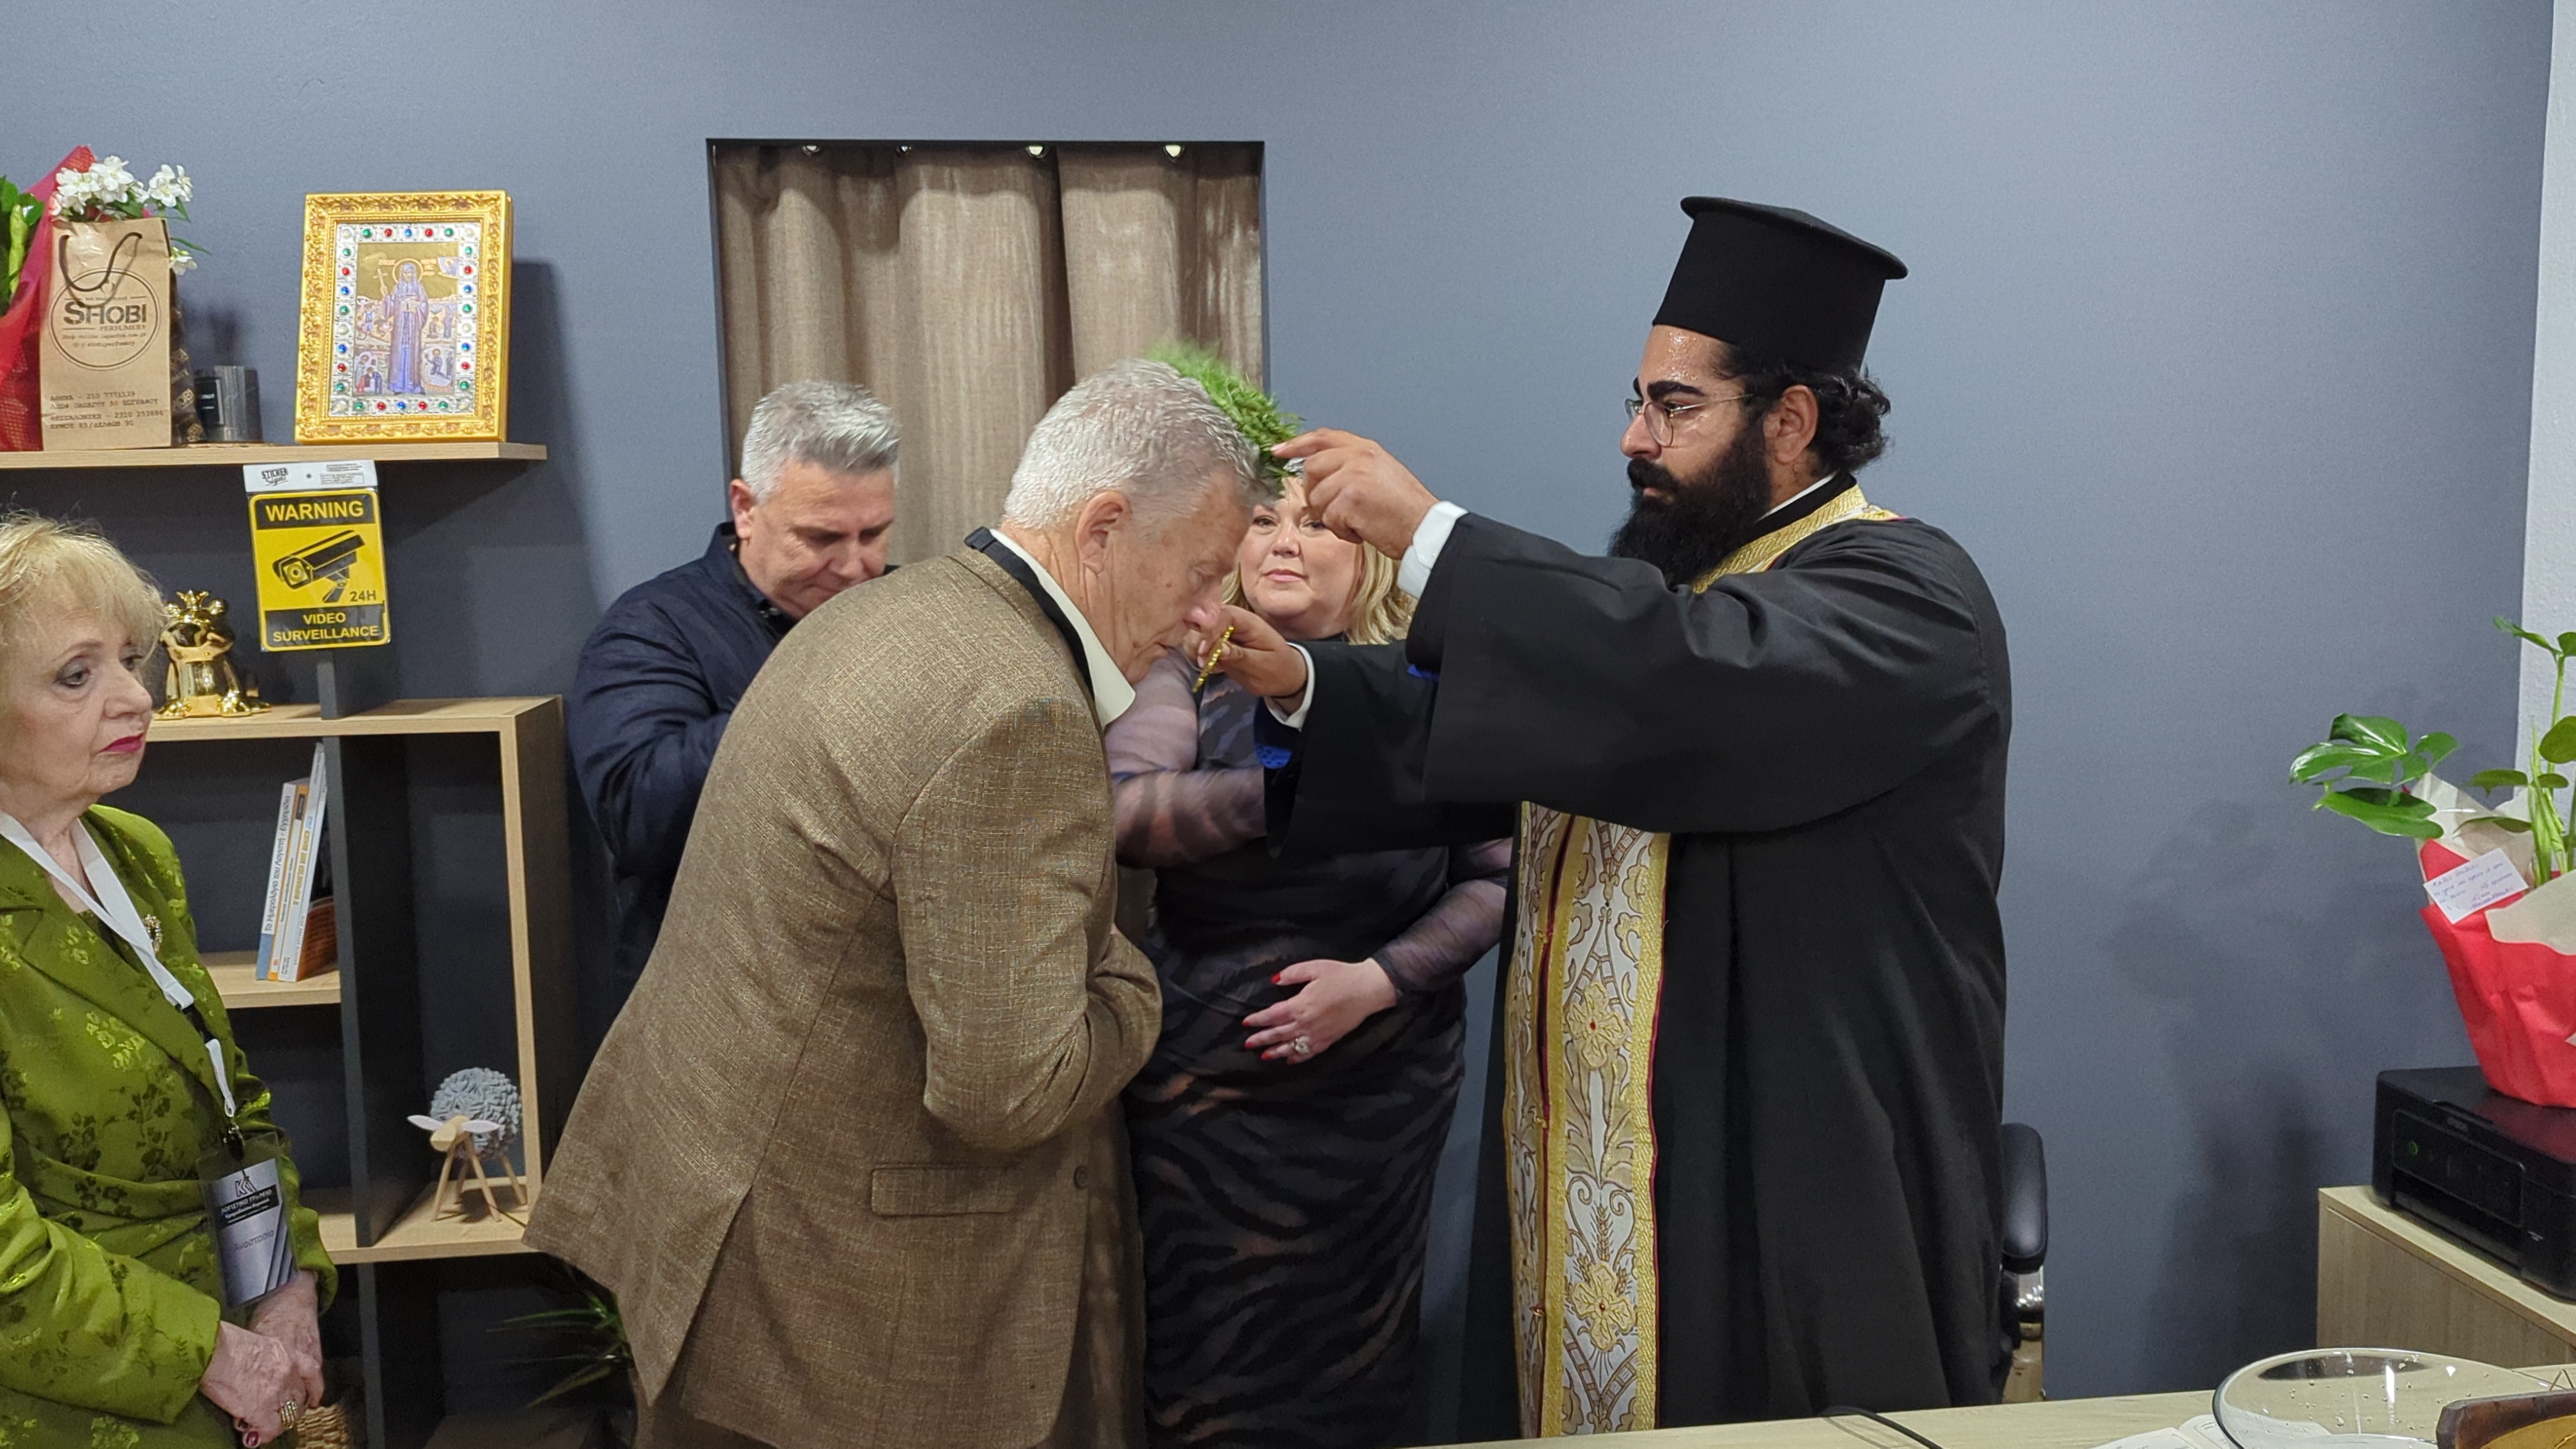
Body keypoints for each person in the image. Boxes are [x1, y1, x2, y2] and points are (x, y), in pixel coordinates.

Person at [1203, 197, 2012, 1436]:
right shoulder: (1678, 596)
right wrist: (1304, 683)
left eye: (1674, 407)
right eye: (1636, 402)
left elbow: (1685, 684)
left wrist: (1428, 536)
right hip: (1590, 1157)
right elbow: (1530, 725)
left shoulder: (1905, 590)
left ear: (1789, 419)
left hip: (1777, 1154)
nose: (1636, 437)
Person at [528, 359, 1267, 1449]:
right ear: (1103, 528)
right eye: (1202, 572)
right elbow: (1009, 1091)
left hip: (722, 1223)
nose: (1210, 617)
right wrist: (1129, 979)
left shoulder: (897, 610)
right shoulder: (1015, 710)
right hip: (831, 1308)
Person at [1107, 471, 1508, 1448]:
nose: (1283, 541)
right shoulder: (1181, 670)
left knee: (1354, 1371)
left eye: (1318, 526)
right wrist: (1299, 788)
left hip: (1376, 1096)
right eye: (1264, 521)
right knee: (1202, 1362)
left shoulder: (1426, 685)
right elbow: (1130, 815)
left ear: (1369, 558)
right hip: (1206, 1097)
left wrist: (1379, 982)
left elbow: (1499, 878)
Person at [0, 514, 337, 1448]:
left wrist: (284, 1292)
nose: (136, 699)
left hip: (239, 1367)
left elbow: (228, 1100)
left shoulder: (134, 850)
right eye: (76, 676)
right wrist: (215, 1356)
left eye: (129, 660)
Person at [567, 380, 898, 1031]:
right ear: (746, 509)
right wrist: (813, 692)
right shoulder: (651, 628)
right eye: (822, 538)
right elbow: (639, 818)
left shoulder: (904, 606)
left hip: (882, 997)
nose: (856, 566)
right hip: (724, 1010)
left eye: (875, 534)